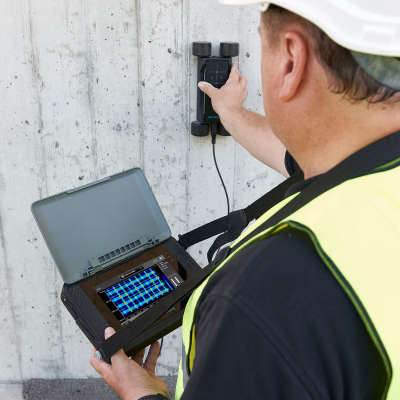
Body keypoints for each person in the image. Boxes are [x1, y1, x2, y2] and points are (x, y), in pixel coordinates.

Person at [91, 1, 400, 399]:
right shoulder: (365, 166)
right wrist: (230, 113)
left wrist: (142, 394)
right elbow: (300, 154)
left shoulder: (264, 299)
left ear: (291, 60)